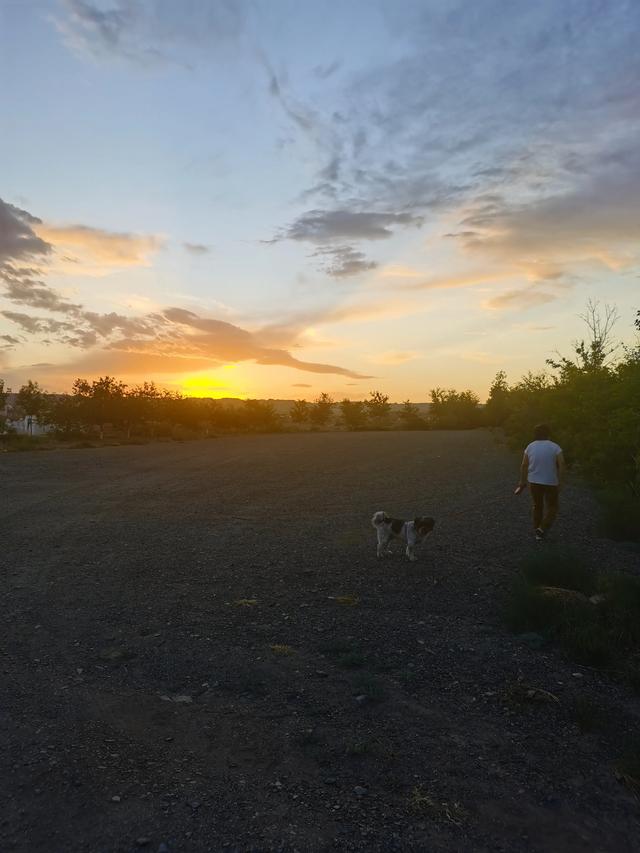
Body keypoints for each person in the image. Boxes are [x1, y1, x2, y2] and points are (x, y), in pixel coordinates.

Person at [515, 423, 565, 541]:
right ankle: (542, 528)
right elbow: (562, 464)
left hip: (534, 481)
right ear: (548, 433)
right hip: (550, 482)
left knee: (537, 506)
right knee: (553, 507)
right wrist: (561, 482)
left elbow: (524, 465)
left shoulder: (530, 446)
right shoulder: (555, 447)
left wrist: (522, 482)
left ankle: (537, 533)